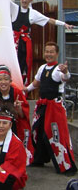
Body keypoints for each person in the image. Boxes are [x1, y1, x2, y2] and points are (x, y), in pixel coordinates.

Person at [24, 41, 77, 175]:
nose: (48, 54)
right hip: (42, 105)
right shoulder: (42, 68)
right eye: (46, 51)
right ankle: (39, 158)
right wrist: (25, 89)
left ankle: (65, 164)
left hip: (55, 106)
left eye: (51, 52)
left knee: (57, 134)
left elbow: (65, 78)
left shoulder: (59, 69)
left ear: (57, 54)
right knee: (38, 130)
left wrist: (66, 72)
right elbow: (36, 83)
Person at [10, 0, 74, 84]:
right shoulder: (14, 8)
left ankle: (21, 85)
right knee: (11, 64)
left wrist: (64, 24)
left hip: (24, 44)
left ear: (31, 0)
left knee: (22, 66)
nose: (24, 0)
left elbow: (49, 20)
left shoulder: (33, 13)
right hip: (12, 42)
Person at [0, 64, 33, 165]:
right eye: (0, 79)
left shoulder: (18, 93)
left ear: (10, 81)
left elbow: (23, 116)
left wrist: (18, 108)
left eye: (6, 79)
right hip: (4, 129)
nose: (3, 82)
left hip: (18, 127)